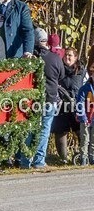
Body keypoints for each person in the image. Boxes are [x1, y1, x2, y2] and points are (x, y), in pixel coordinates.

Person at [23, 28, 65, 170]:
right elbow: (61, 76)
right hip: (50, 98)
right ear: (46, 41)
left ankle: (25, 160)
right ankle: (39, 160)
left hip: (31, 99)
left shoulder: (29, 59)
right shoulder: (55, 58)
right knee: (44, 130)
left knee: (29, 129)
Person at [53, 48, 84, 163]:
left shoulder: (81, 71)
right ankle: (63, 158)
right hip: (62, 105)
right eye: (66, 55)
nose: (67, 57)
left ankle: (83, 155)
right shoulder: (59, 69)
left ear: (75, 57)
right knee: (61, 131)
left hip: (77, 105)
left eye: (70, 55)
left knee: (80, 130)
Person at [74, 62, 94, 165]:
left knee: (93, 140)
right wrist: (83, 117)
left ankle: (92, 157)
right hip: (86, 118)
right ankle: (83, 158)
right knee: (85, 138)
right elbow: (80, 104)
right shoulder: (84, 89)